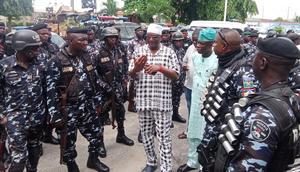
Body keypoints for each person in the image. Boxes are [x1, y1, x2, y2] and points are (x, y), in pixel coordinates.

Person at [225, 38, 300, 171]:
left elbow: (249, 167)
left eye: (255, 57)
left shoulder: (261, 115)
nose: (251, 61)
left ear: (262, 62)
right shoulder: (291, 97)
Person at [46, 27, 109, 172]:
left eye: (86, 39)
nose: (86, 42)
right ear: (70, 40)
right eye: (81, 40)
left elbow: (94, 79)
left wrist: (98, 101)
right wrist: (55, 115)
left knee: (96, 134)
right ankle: (72, 166)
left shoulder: (87, 56)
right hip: (67, 109)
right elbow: (50, 90)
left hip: (87, 106)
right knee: (68, 142)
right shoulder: (57, 60)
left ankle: (93, 160)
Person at [197, 28, 258, 171]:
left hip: (226, 135)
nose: (213, 46)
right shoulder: (225, 62)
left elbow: (247, 107)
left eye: (215, 43)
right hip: (213, 130)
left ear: (224, 46)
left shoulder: (244, 71)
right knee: (205, 161)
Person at [129, 23, 179, 172]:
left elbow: (176, 76)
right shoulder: (139, 51)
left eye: (154, 37)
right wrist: (137, 68)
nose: (151, 40)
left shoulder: (169, 52)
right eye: (148, 37)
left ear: (161, 37)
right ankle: (151, 162)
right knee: (146, 135)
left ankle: (166, 167)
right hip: (144, 102)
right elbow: (131, 74)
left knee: (164, 137)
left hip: (162, 102)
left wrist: (160, 68)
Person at [0, 29, 45, 172]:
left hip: (37, 119)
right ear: (21, 47)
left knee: (34, 154)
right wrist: (2, 116)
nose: (38, 50)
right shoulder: (4, 66)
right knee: (19, 159)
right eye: (34, 47)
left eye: (38, 46)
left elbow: (47, 89)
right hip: (15, 119)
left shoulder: (41, 65)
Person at [177, 28, 218, 172]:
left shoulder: (217, 60)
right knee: (193, 133)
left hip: (209, 104)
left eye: (202, 43)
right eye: (197, 43)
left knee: (206, 135)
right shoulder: (194, 57)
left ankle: (203, 165)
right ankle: (192, 161)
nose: (198, 45)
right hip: (195, 102)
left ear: (211, 44)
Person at [94, 27, 133, 152]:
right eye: (111, 37)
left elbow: (125, 65)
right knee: (101, 117)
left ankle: (121, 135)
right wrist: (105, 87)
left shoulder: (120, 50)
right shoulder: (97, 52)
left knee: (120, 113)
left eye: (115, 37)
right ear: (105, 38)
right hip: (103, 91)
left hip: (118, 88)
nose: (114, 39)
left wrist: (125, 80)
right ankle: (100, 143)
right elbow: (93, 75)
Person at [31, 23, 60, 145]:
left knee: (50, 111)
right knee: (37, 115)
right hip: (36, 86)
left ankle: (48, 134)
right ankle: (35, 140)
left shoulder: (53, 46)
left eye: (48, 33)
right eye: (43, 34)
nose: (46, 36)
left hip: (51, 85)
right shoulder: (31, 48)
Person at [177, 29, 201, 139]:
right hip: (189, 85)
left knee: (200, 111)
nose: (195, 44)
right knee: (191, 109)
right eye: (194, 41)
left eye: (198, 41)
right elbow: (184, 60)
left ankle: (200, 132)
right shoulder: (191, 48)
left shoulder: (210, 52)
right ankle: (189, 131)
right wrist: (184, 65)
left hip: (201, 89)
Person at [127, 25, 146, 113]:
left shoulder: (145, 41)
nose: (141, 32)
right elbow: (128, 54)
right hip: (134, 65)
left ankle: (138, 103)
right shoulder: (131, 42)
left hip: (143, 65)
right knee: (132, 87)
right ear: (135, 32)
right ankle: (131, 105)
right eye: (139, 31)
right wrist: (135, 59)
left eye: (142, 31)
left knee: (140, 87)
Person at [170, 31, 186, 123]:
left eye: (180, 41)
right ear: (173, 41)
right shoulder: (169, 50)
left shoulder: (182, 50)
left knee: (177, 98)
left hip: (180, 79)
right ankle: (168, 118)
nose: (179, 43)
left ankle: (175, 114)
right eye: (177, 41)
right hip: (172, 80)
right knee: (169, 99)